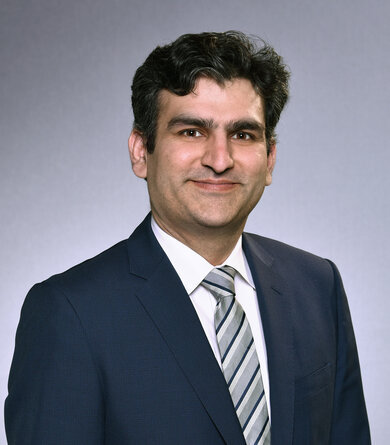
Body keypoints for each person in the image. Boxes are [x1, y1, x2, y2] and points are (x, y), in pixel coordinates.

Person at [5, 31, 370, 445]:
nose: (219, 159)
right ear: (141, 151)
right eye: (192, 131)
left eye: (243, 134)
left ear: (270, 159)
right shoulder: (69, 315)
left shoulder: (317, 286)